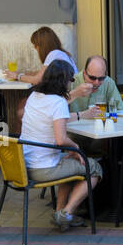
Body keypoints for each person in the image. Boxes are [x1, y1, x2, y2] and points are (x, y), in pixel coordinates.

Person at [20, 59, 101, 231]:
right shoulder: (57, 102)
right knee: (93, 168)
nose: (71, 84)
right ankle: (67, 212)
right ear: (63, 81)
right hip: (43, 168)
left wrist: (82, 115)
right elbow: (60, 139)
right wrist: (76, 148)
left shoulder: (35, 97)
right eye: (71, 80)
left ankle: (60, 214)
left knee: (70, 162)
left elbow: (56, 120)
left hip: (25, 164)